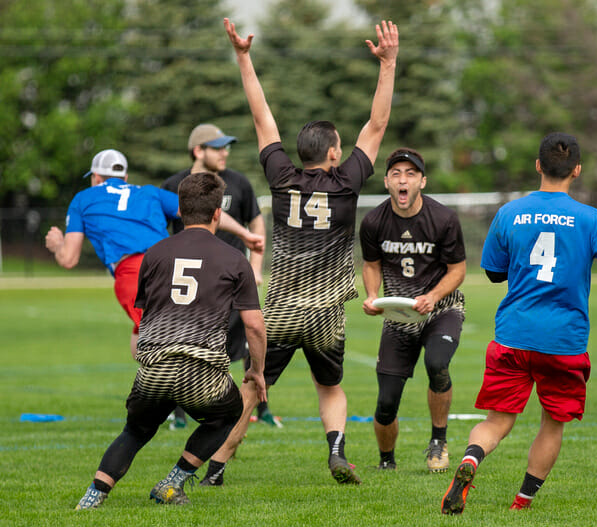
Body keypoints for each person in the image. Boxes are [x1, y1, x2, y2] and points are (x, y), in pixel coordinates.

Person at [199, 17, 399, 487]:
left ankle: (216, 468)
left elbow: (261, 116)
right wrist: (387, 65)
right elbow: (378, 122)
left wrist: (244, 57)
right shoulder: (347, 181)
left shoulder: (280, 176)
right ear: (333, 154)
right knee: (330, 386)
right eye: (340, 146)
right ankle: (336, 451)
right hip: (327, 311)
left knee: (253, 387)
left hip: (284, 310)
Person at [440, 133, 597, 514]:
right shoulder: (590, 218)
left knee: (497, 420)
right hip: (564, 342)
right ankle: (521, 503)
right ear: (577, 170)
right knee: (553, 423)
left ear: (538, 166)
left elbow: (494, 273)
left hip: (514, 335)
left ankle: (469, 462)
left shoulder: (510, 212)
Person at [74, 172, 267, 509]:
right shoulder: (235, 260)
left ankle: (93, 496)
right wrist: (258, 372)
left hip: (155, 368)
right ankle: (172, 482)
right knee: (228, 412)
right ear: (217, 213)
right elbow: (254, 326)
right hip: (202, 372)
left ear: (179, 209)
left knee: (136, 430)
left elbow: (145, 313)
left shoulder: (155, 253)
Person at [45, 149, 263, 358]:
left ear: (96, 177)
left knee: (168, 347)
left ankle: (202, 390)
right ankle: (155, 389)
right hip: (171, 265)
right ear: (125, 177)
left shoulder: (84, 198)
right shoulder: (149, 192)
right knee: (140, 344)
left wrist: (57, 245)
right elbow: (202, 209)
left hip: (135, 272)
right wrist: (245, 234)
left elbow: (68, 258)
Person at [163, 123, 276, 430]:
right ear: (198, 150)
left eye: (227, 146)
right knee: (184, 344)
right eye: (218, 147)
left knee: (248, 341)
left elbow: (256, 223)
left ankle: (261, 408)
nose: (225, 152)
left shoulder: (237, 183)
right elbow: (161, 232)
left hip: (233, 279)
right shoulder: (174, 184)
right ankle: (179, 414)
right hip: (192, 283)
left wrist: (255, 267)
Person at [360, 148, 466, 473]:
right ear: (386, 181)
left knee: (437, 364)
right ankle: (386, 461)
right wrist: (372, 296)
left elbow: (458, 270)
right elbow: (371, 264)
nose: (402, 180)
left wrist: (433, 296)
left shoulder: (444, 218)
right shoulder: (374, 221)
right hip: (400, 316)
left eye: (410, 174)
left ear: (422, 180)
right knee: (387, 402)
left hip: (441, 309)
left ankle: (438, 441)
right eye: (396, 173)